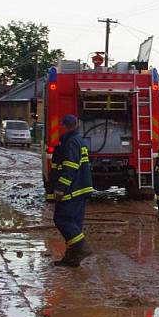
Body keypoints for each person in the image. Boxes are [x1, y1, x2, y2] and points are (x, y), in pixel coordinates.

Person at [46, 114, 94, 267]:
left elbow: (70, 168)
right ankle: (73, 258)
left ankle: (81, 247)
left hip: (72, 190)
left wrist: (60, 188)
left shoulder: (71, 142)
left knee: (62, 219)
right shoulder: (78, 141)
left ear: (64, 126)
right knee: (74, 224)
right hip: (79, 189)